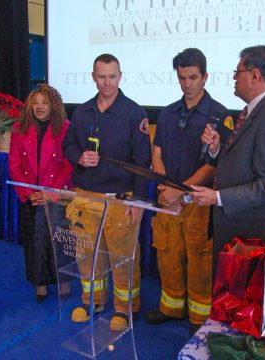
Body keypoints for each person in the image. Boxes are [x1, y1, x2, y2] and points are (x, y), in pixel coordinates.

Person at [191, 45, 265, 279]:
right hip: (238, 229)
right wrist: (216, 148)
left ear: (255, 75)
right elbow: (241, 164)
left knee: (244, 308)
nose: (234, 77)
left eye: (238, 71)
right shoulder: (255, 111)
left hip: (253, 236)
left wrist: (217, 197)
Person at [62, 53, 151, 331]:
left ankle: (125, 308)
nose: (107, 82)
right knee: (87, 255)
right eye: (102, 77)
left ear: (120, 76)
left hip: (120, 198)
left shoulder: (134, 113)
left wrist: (137, 198)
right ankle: (93, 300)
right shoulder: (83, 111)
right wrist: (79, 157)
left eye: (112, 76)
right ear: (93, 77)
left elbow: (142, 161)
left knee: (122, 258)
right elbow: (68, 145)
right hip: (85, 196)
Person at [145, 48, 230, 333]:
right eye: (182, 78)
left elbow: (213, 165)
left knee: (199, 258)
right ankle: (171, 306)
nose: (187, 84)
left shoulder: (220, 115)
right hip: (167, 196)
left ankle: (199, 317)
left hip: (197, 200)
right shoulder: (168, 113)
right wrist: (167, 187)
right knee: (167, 252)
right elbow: (157, 151)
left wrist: (180, 192)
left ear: (205, 76)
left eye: (193, 77)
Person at [9, 84, 73, 303]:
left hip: (56, 195)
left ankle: (63, 281)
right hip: (32, 198)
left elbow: (69, 164)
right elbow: (15, 165)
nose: (39, 107)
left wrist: (51, 193)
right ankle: (41, 284)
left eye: (44, 102)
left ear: (53, 105)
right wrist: (28, 193)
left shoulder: (65, 128)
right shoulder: (19, 128)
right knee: (34, 242)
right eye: (35, 102)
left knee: (60, 242)